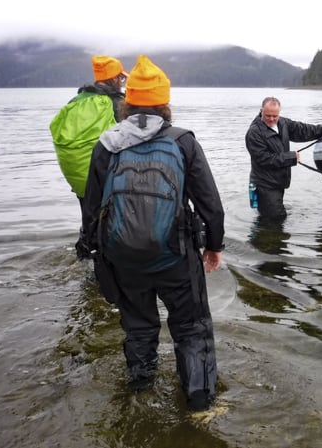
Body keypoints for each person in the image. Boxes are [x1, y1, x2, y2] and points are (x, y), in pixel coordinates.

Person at [81, 54, 225, 411]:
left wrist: (96, 251)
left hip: (123, 258)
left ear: (127, 104)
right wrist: (214, 246)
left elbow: (91, 208)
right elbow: (211, 204)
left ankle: (140, 393)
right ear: (165, 104)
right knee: (191, 328)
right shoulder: (182, 141)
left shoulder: (107, 143)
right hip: (175, 256)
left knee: (139, 327)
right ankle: (199, 405)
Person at [49, 55, 128, 259]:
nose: (122, 82)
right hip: (106, 178)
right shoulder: (116, 103)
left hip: (80, 176)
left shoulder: (75, 102)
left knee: (90, 218)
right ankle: (107, 267)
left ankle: (86, 256)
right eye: (121, 78)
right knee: (112, 223)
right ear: (114, 79)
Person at [245, 97, 322, 221]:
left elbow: (303, 130)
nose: (271, 119)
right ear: (261, 111)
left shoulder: (283, 123)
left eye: (275, 116)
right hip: (265, 185)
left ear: (279, 113)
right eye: (268, 115)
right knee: (275, 220)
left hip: (278, 182)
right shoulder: (254, 133)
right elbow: (264, 159)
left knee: (275, 219)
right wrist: (291, 157)